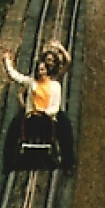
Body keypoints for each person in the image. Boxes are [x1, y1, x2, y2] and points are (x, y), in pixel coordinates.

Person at [1, 51, 61, 173]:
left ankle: (63, 159)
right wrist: (7, 61)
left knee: (63, 128)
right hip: (31, 116)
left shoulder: (55, 86)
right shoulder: (32, 82)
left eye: (43, 70)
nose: (41, 73)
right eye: (39, 70)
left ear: (47, 71)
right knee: (13, 130)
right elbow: (15, 76)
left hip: (46, 117)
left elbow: (56, 106)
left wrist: (45, 112)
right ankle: (8, 164)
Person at [39, 39, 75, 173]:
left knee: (66, 128)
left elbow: (68, 62)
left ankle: (68, 163)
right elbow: (22, 91)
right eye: (48, 60)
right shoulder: (38, 74)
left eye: (52, 61)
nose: (50, 63)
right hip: (38, 109)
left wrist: (60, 48)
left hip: (53, 111)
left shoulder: (56, 77)